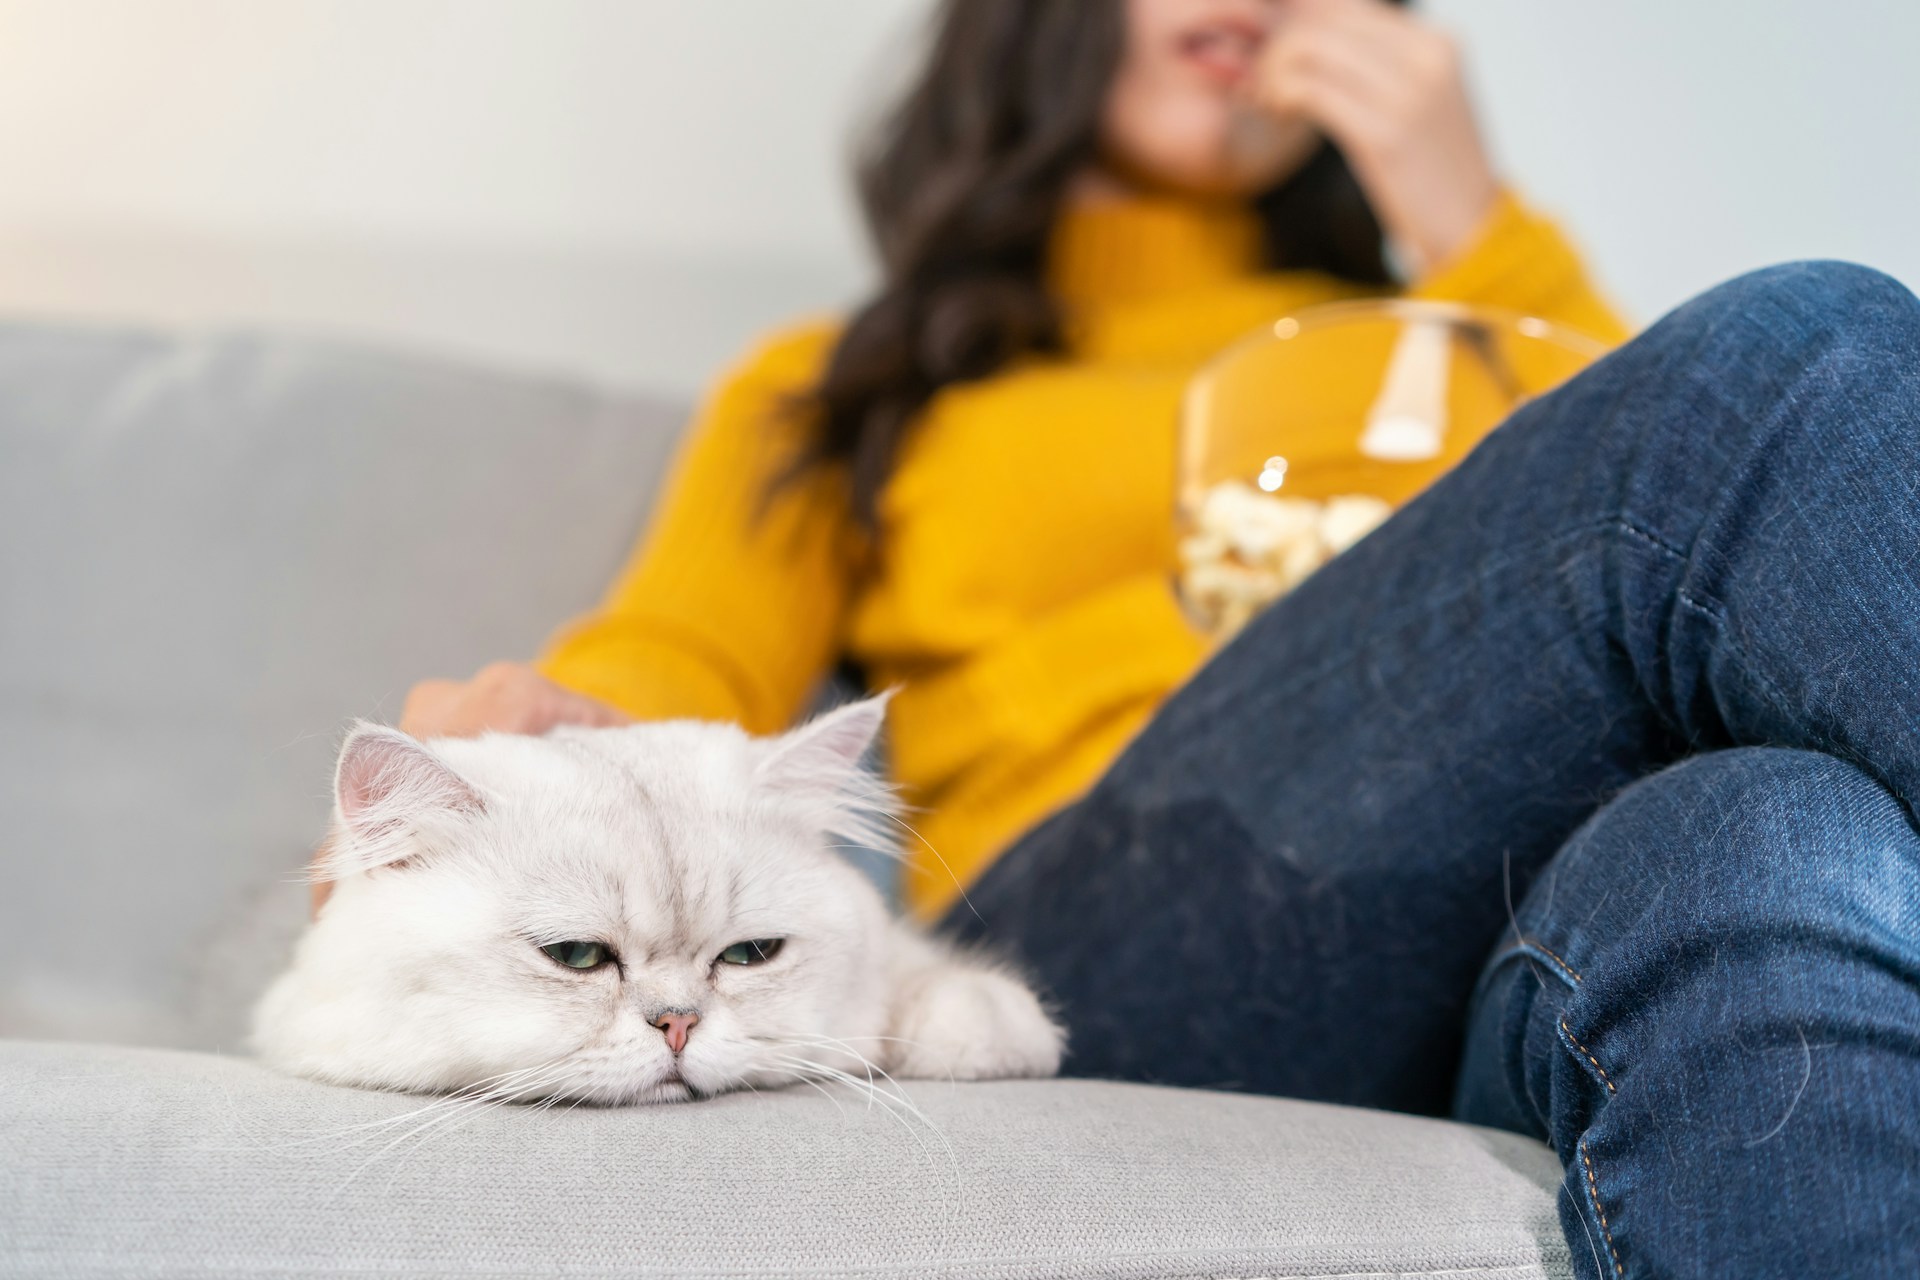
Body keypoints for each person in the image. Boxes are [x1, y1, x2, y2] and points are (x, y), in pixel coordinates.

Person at [392, 1, 1920, 1274]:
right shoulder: (851, 386)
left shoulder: (1438, 340)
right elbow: (684, 661)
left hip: (1518, 944)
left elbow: (1690, 553)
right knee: (1798, 350)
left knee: (1777, 842)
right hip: (1112, 942)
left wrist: (1470, 218)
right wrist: (546, 750)